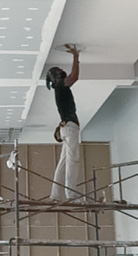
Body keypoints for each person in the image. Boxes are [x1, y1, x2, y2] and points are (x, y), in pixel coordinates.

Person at [47, 43, 82, 202]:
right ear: (56, 76)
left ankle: (55, 195)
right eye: (59, 70)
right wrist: (75, 56)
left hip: (67, 128)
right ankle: (70, 195)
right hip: (70, 128)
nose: (62, 70)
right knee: (72, 161)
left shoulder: (59, 89)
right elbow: (74, 77)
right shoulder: (60, 86)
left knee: (63, 163)